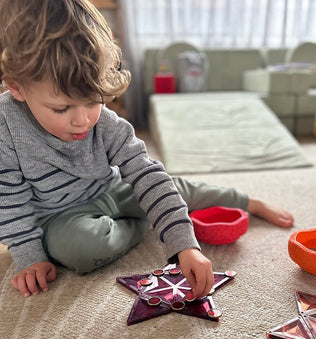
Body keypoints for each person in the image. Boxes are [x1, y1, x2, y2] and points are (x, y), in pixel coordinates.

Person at [0, 0, 294, 299]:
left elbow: (147, 175)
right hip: (59, 216)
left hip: (112, 188)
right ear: (17, 88)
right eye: (62, 108)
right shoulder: (5, 127)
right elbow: (8, 199)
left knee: (171, 189)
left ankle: (248, 201)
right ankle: (144, 223)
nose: (82, 120)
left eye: (93, 101)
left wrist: (184, 245)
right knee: (77, 250)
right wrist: (30, 257)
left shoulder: (108, 124)